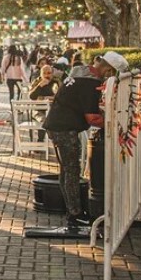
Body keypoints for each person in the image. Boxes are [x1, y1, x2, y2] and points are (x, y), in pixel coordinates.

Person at [43, 51, 128, 230]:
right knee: (72, 170)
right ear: (107, 69)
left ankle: (72, 211)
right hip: (65, 128)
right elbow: (92, 118)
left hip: (56, 124)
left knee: (66, 170)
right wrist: (113, 124)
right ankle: (75, 215)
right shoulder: (90, 83)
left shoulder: (79, 71)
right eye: (111, 73)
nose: (110, 77)